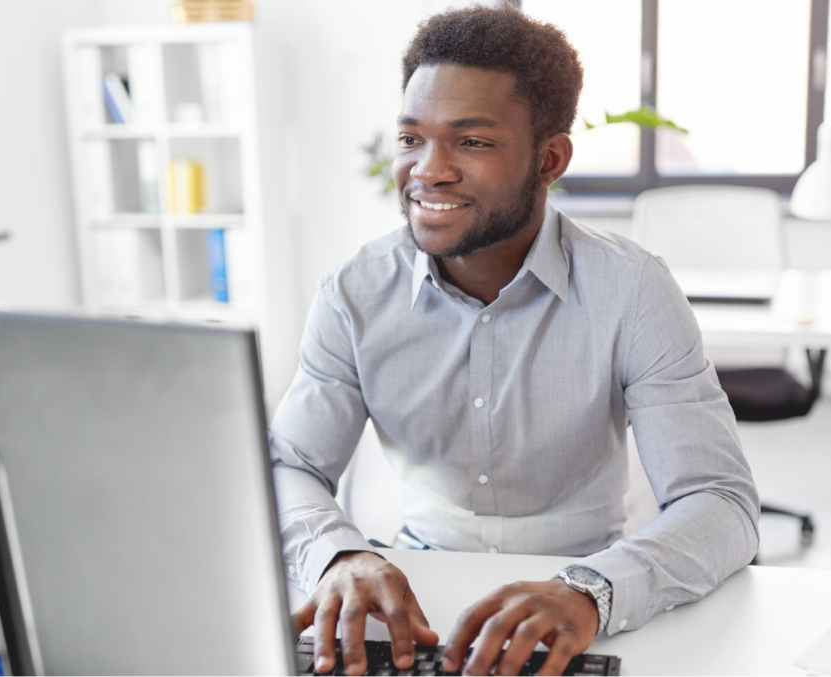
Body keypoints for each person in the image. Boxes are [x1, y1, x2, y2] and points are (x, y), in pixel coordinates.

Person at [269, 6, 759, 677]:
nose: (427, 171)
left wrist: (592, 590)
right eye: (411, 138)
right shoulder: (354, 293)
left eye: (471, 143)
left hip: (585, 593)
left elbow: (720, 502)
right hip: (417, 600)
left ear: (549, 158)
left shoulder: (633, 290)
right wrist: (337, 555)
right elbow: (288, 464)